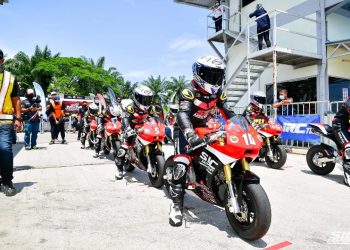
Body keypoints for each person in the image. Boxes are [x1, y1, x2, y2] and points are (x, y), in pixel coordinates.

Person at [168, 55, 236, 226]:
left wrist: (242, 127)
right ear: (199, 73)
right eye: (211, 75)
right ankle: (176, 206)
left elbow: (229, 112)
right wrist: (190, 135)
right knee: (181, 164)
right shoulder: (188, 90)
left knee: (222, 151)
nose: (215, 80)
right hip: (185, 129)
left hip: (206, 127)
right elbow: (182, 114)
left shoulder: (219, 92)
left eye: (218, 75)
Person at [114, 85, 158, 180]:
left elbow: (153, 119)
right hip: (132, 127)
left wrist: (157, 126)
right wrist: (128, 129)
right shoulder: (130, 107)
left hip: (144, 127)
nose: (146, 102)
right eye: (143, 99)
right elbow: (125, 119)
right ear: (136, 98)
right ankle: (119, 170)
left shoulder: (151, 108)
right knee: (124, 148)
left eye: (148, 99)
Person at [0, 49, 22, 196]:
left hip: (4, 122)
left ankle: (7, 181)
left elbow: (16, 100)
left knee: (5, 151)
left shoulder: (10, 78)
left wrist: (19, 118)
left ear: (1, 60)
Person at [332, 97, 350, 187]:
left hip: (347, 127)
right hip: (339, 127)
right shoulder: (349, 101)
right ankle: (348, 177)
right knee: (348, 147)